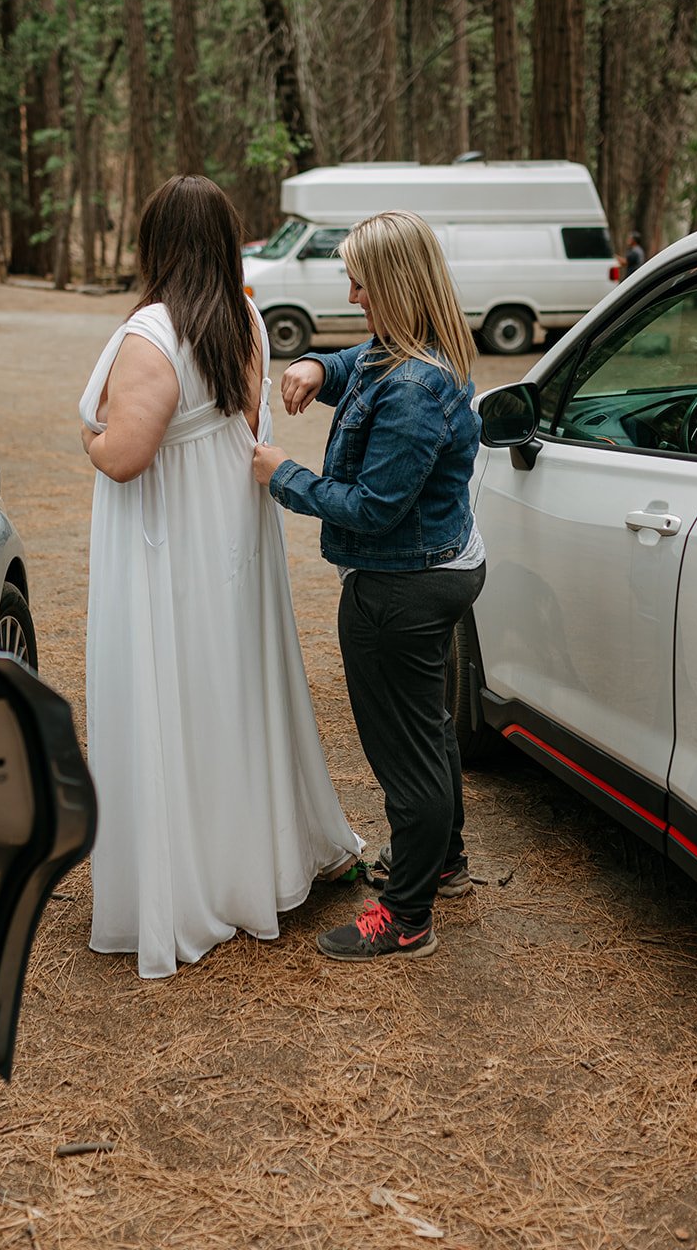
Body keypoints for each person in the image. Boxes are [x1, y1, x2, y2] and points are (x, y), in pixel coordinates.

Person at [79, 174, 360, 980]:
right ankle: (253, 860)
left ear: (155, 242)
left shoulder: (153, 334)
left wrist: (90, 444)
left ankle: (196, 875)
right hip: (230, 531)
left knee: (180, 688)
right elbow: (244, 422)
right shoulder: (242, 318)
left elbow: (127, 458)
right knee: (230, 688)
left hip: (173, 541)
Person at [252, 210, 485, 962]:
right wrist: (322, 366)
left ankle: (407, 916)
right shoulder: (417, 350)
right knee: (428, 733)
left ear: (394, 283)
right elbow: (369, 358)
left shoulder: (415, 387)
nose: (351, 293)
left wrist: (279, 475)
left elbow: (375, 510)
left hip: (401, 588)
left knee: (405, 757)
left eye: (359, 280)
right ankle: (441, 862)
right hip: (435, 569)